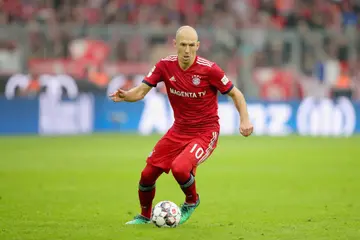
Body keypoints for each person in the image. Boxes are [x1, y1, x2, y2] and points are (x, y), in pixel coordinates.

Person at [110, 26, 254, 225]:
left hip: (205, 132)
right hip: (178, 130)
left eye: (191, 45)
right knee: (146, 175)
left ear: (198, 46)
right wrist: (127, 96)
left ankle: (192, 201)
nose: (187, 50)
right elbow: (141, 91)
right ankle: (144, 216)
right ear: (175, 44)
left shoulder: (209, 69)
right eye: (183, 45)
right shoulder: (164, 66)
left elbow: (235, 94)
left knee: (180, 168)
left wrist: (244, 119)